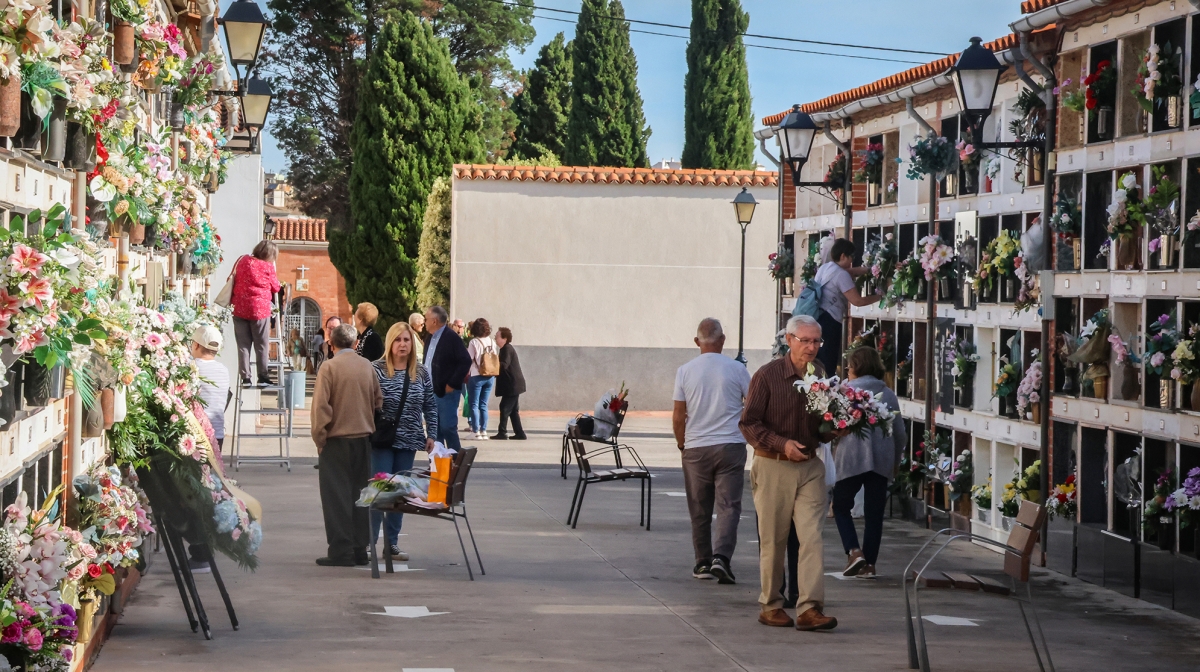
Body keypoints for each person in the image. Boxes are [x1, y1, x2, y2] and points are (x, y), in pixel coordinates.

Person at [740, 314, 838, 631]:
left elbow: (820, 420)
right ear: (789, 340)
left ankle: (809, 608)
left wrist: (834, 429)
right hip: (773, 465)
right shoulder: (767, 376)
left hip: (810, 466)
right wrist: (782, 444)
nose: (811, 347)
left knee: (812, 539)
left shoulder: (820, 373)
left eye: (816, 341)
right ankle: (770, 605)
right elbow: (749, 423)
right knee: (774, 540)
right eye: (805, 340)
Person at [672, 318, 751, 585]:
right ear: (723, 340)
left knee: (699, 507)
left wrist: (682, 443)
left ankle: (702, 561)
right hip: (730, 445)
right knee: (729, 506)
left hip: (696, 446)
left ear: (697, 342)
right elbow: (752, 406)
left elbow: (679, 414)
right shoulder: (737, 369)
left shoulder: (684, 371)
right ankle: (722, 558)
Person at [311, 324, 382, 567]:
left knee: (336, 498)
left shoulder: (329, 367)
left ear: (332, 343)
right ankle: (360, 548)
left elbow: (321, 408)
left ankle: (341, 550)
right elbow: (378, 400)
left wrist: (319, 439)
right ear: (355, 343)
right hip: (362, 438)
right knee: (360, 495)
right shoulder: (367, 366)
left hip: (336, 440)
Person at [833, 346, 905, 579]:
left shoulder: (846, 391)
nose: (847, 369)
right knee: (875, 514)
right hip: (881, 459)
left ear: (857, 366)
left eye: (850, 364)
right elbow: (900, 432)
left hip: (852, 459)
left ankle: (854, 551)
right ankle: (870, 565)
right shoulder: (889, 393)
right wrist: (895, 460)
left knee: (841, 506)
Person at [370, 321, 438, 561]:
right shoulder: (375, 369)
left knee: (399, 493)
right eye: (398, 339)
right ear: (390, 343)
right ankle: (369, 542)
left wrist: (432, 433)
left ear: (412, 344)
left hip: (409, 440)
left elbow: (430, 404)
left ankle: (392, 543)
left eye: (406, 340)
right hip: (382, 441)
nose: (402, 344)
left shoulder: (420, 372)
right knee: (380, 492)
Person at [188, 324, 231, 575]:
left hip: (197, 437)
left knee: (197, 494)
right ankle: (205, 548)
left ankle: (201, 552)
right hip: (218, 435)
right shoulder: (222, 370)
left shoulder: (193, 368)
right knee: (210, 488)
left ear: (195, 345)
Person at [813, 238, 880, 375]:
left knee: (818, 357)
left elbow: (849, 272)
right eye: (851, 257)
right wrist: (880, 297)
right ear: (843, 255)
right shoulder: (841, 274)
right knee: (829, 360)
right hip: (830, 321)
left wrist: (869, 270)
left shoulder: (825, 267)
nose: (852, 261)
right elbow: (857, 301)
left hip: (818, 317)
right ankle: (827, 388)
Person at [230, 240, 281, 387]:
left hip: (239, 308)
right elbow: (276, 287)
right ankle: (262, 377)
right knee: (261, 345)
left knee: (243, 345)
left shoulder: (243, 260)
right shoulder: (268, 266)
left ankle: (245, 378)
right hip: (259, 310)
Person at [423, 306, 472, 451]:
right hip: (430, 391)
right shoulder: (429, 337)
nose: (424, 322)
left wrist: (452, 383)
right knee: (434, 431)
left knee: (447, 427)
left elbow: (465, 360)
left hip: (445, 392)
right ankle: (438, 465)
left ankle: (455, 462)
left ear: (434, 321)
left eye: (426, 319)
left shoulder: (450, 337)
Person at [465, 318, 499, 440]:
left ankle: (475, 431)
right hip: (490, 375)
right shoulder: (491, 341)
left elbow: (468, 359)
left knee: (473, 404)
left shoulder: (474, 342)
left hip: (476, 375)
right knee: (483, 404)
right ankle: (484, 430)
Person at [492, 327, 527, 440]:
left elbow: (504, 364)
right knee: (513, 410)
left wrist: (492, 367)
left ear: (504, 338)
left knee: (505, 407)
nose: (495, 338)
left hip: (513, 385)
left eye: (497, 336)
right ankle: (520, 433)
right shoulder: (504, 349)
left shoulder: (507, 349)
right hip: (513, 385)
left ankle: (502, 432)